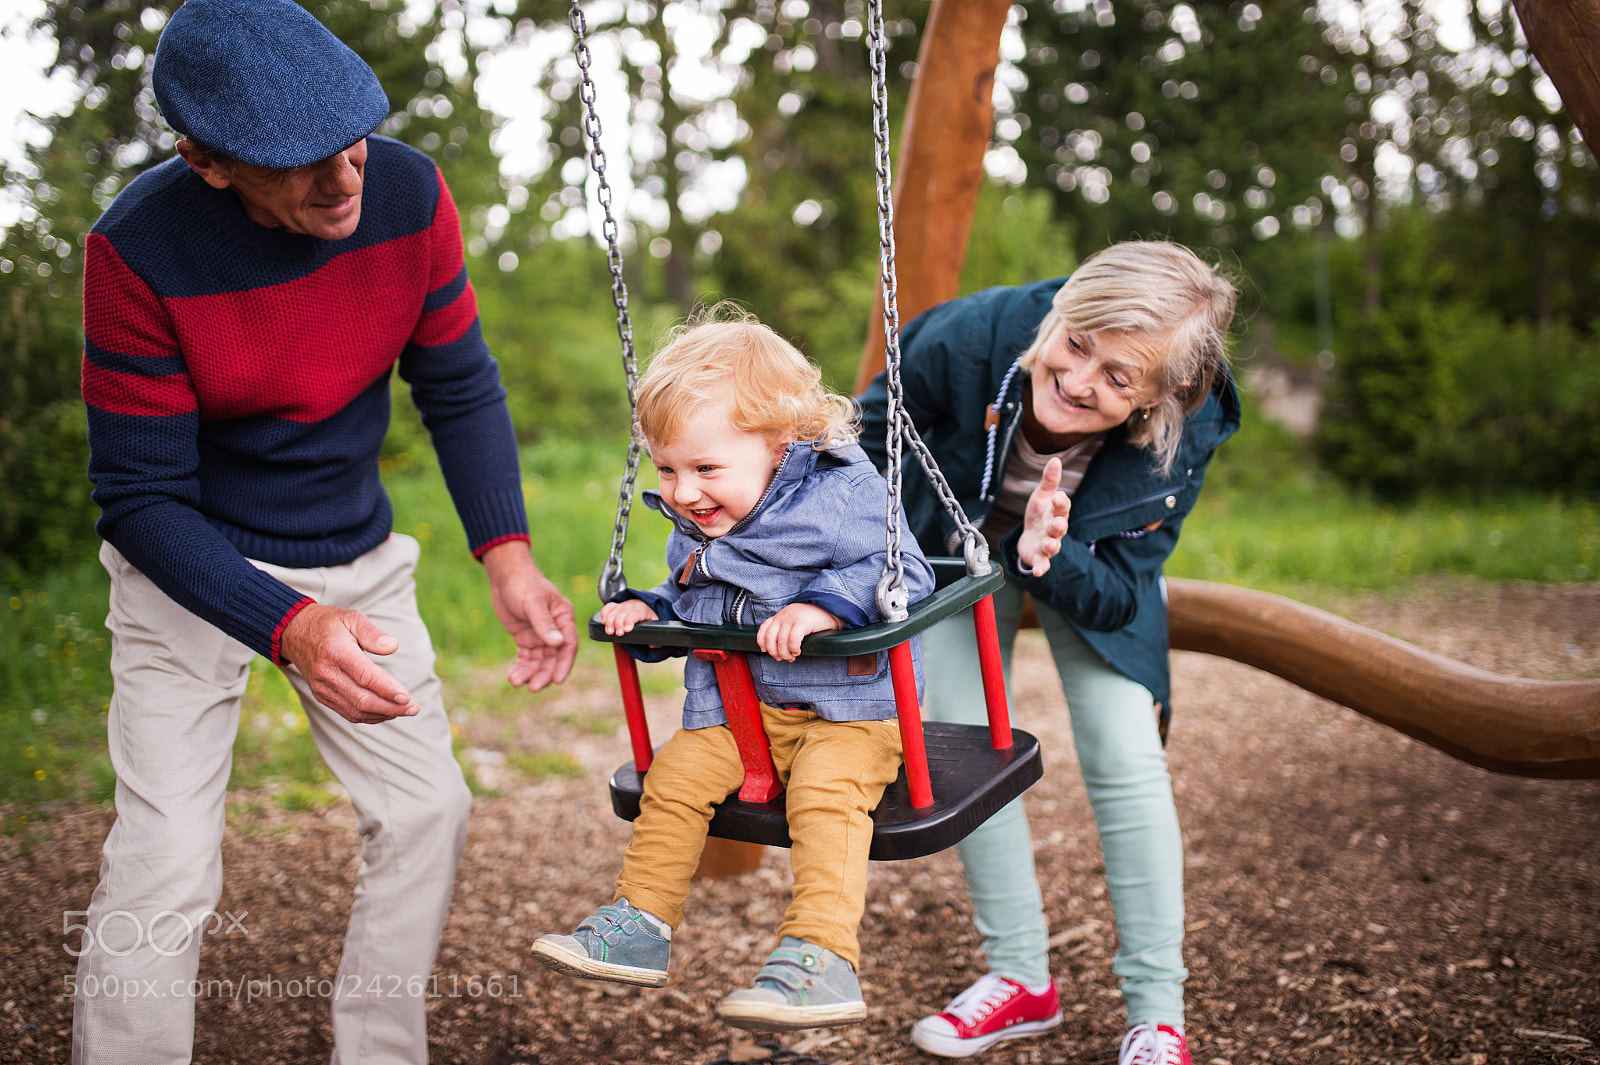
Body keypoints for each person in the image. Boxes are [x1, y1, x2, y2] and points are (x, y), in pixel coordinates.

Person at [73, 1, 577, 1061]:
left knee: (427, 812)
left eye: (351, 142)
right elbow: (141, 497)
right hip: (192, 565)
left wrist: (509, 555)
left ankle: (379, 1052)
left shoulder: (408, 192)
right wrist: (290, 627)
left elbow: (458, 381)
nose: (344, 181)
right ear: (206, 160)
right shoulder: (137, 249)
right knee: (165, 859)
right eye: (302, 166)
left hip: (355, 553)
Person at [858, 241, 1240, 1065]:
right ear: (1060, 305)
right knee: (963, 742)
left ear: (1162, 395)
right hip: (954, 548)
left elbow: (1120, 594)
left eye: (1118, 377)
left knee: (1123, 746)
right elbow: (862, 442)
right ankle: (1020, 976)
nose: (1077, 381)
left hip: (1084, 562)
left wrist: (1049, 554)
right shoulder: (967, 339)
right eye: (1076, 343)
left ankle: (1156, 1010)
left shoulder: (1189, 423)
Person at [530, 310, 936, 1032]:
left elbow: (904, 570)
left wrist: (824, 610)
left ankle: (820, 957)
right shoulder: (702, 521)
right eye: (669, 469)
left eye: (705, 469)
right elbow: (696, 594)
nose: (684, 493)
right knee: (674, 778)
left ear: (780, 446)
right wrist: (647, 612)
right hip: (742, 714)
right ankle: (640, 925)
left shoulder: (843, 494)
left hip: (850, 717)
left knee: (826, 798)